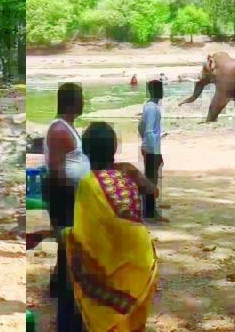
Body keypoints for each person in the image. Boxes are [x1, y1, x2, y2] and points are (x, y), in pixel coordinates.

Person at [57, 121, 160, 331]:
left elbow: (85, 237)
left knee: (69, 247)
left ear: (85, 150)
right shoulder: (125, 172)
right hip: (146, 264)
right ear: (115, 147)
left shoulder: (88, 183)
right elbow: (153, 192)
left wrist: (61, 235)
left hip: (122, 271)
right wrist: (135, 174)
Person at [43, 82, 90, 298]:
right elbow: (56, 170)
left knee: (68, 245)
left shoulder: (68, 127)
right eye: (80, 98)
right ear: (71, 102)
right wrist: (73, 196)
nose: (83, 102)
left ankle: (60, 284)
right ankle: (62, 288)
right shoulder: (59, 129)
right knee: (67, 242)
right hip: (64, 195)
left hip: (71, 193)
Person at [138, 80, 165, 220]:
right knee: (151, 179)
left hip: (148, 147)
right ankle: (150, 211)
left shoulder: (148, 106)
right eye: (160, 89)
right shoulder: (153, 108)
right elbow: (149, 131)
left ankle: (149, 208)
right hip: (151, 149)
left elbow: (141, 127)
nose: (162, 92)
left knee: (150, 178)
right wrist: (156, 153)